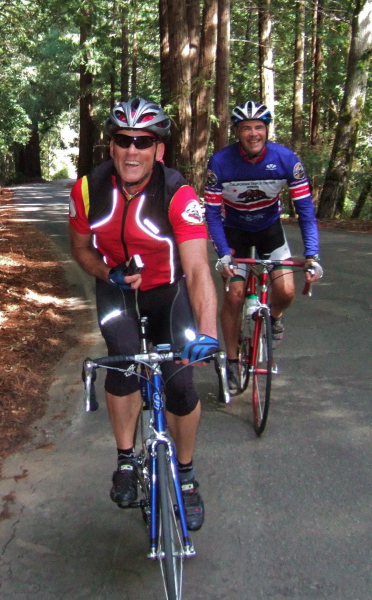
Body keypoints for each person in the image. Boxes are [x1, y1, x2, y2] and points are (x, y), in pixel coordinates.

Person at [68, 97, 220, 531]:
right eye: (124, 140)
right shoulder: (88, 190)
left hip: (168, 293)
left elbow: (197, 269)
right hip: (117, 290)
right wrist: (107, 272)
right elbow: (80, 249)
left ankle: (185, 477)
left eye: (143, 142)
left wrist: (207, 333)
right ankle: (125, 460)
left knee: (181, 385)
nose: (132, 150)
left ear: (159, 150)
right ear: (111, 147)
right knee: (122, 366)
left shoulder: (178, 194)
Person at [204, 101, 323, 390]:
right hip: (234, 232)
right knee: (234, 296)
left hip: (269, 230)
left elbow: (305, 210)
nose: (253, 133)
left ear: (267, 130)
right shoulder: (220, 163)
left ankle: (275, 319)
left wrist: (312, 254)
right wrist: (224, 253)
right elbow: (212, 214)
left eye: (259, 127)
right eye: (246, 128)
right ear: (237, 132)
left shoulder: (286, 159)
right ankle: (233, 362)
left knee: (286, 291)